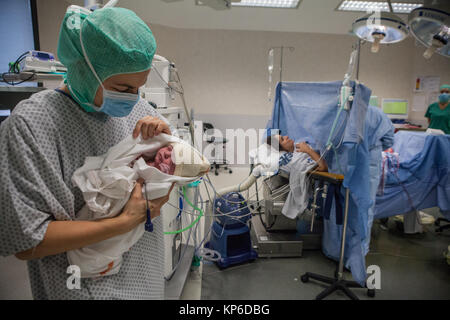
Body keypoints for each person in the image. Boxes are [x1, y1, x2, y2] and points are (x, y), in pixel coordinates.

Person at [0, 6, 174, 299]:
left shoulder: (142, 113)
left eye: (138, 88)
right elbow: (28, 241)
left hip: (147, 283)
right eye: (122, 87)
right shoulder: (32, 124)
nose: (132, 99)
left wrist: (166, 154)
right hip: (81, 289)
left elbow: (175, 172)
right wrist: (124, 221)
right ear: (84, 69)